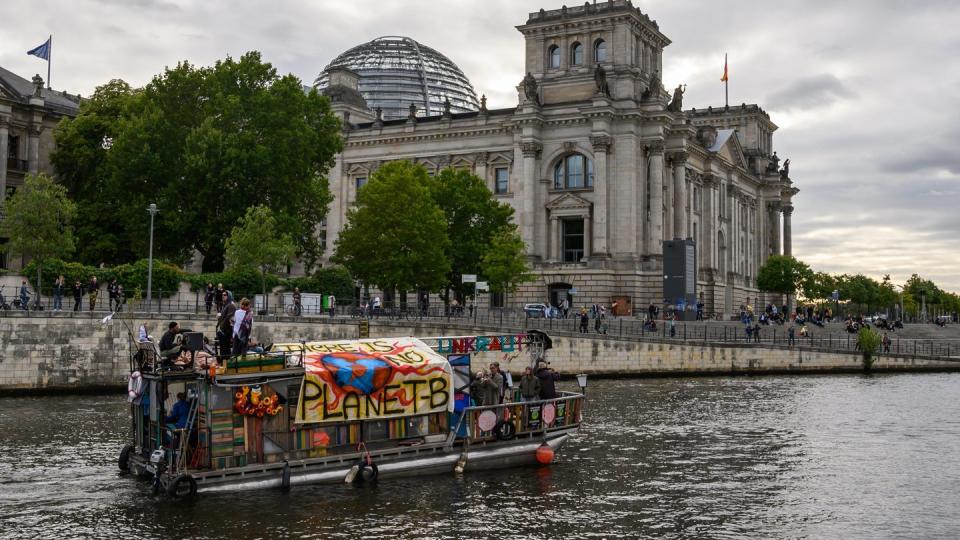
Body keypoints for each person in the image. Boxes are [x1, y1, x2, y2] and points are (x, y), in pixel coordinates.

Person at [216, 291, 237, 358]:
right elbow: (224, 317)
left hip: (226, 331)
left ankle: (226, 364)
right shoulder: (225, 305)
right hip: (223, 330)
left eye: (225, 295)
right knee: (223, 349)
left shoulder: (231, 305)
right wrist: (219, 318)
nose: (223, 296)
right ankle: (224, 363)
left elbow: (229, 318)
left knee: (225, 349)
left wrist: (221, 328)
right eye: (222, 295)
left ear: (229, 296)